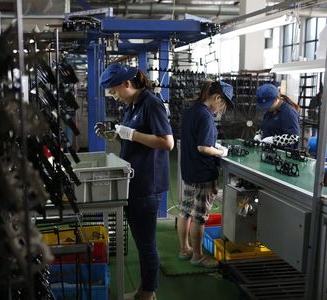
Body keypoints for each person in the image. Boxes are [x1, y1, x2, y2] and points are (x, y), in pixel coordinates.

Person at [95, 63, 174, 300]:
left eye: (114, 91)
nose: (114, 97)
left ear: (126, 84)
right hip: (134, 181)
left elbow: (167, 142)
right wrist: (115, 134)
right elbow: (134, 141)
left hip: (146, 185)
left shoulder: (151, 103)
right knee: (141, 242)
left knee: (146, 244)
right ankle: (146, 291)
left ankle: (147, 293)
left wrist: (132, 134)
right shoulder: (134, 105)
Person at [178, 80, 234, 268]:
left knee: (185, 212)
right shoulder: (206, 116)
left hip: (188, 170)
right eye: (223, 104)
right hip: (203, 174)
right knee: (199, 216)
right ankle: (198, 255)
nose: (222, 109)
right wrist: (220, 151)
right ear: (217, 98)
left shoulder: (191, 110)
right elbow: (203, 147)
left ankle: (184, 249)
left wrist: (212, 146)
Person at [253, 83, 300, 148]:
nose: (266, 108)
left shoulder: (288, 112)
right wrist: (259, 134)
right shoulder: (270, 111)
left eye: (269, 105)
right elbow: (267, 126)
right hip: (269, 151)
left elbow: (294, 137)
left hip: (283, 154)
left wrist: (273, 140)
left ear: (277, 98)